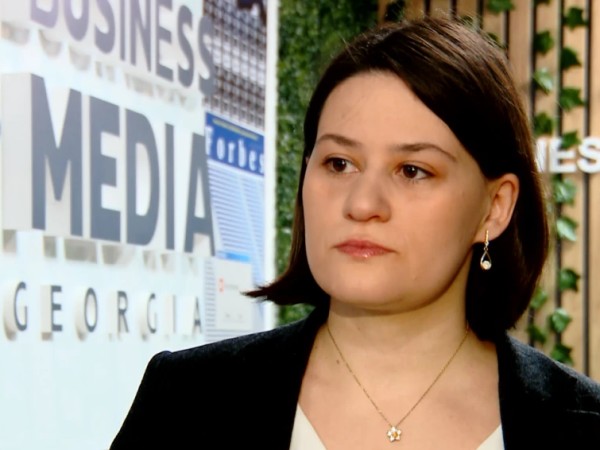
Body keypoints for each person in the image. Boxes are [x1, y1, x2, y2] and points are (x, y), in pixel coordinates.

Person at [109, 15, 600, 449]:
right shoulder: (187, 399)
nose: (362, 204)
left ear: (495, 207)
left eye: (412, 171)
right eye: (339, 163)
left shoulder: (582, 424)